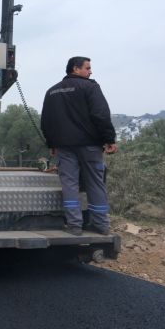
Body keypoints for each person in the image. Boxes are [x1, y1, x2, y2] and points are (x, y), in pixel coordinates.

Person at [41, 57, 117, 236]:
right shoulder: (90, 87)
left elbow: (46, 121)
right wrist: (109, 139)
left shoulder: (52, 91)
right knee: (95, 183)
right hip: (90, 146)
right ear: (75, 69)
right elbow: (100, 114)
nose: (90, 71)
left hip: (64, 147)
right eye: (87, 68)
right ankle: (100, 225)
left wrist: (51, 143)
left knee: (69, 185)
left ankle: (74, 226)